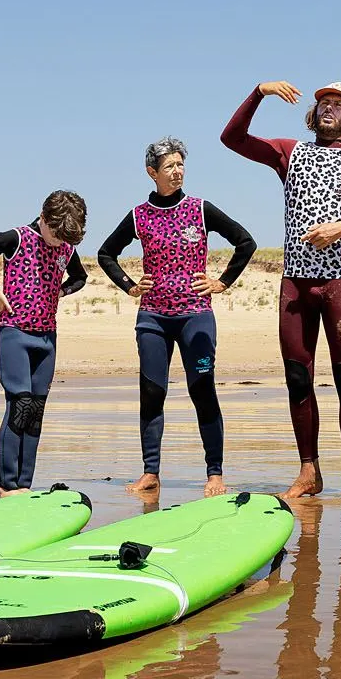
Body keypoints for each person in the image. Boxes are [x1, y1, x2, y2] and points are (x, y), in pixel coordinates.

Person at [221, 80, 341, 501]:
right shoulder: (291, 153)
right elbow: (232, 138)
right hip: (296, 282)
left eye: (338, 104)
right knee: (297, 378)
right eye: (323, 103)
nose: (328, 109)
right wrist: (258, 93)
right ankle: (308, 471)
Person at [97, 137, 257, 498]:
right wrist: (129, 285)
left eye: (180, 164)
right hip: (152, 317)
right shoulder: (139, 215)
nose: (177, 171)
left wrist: (222, 282)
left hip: (195, 316)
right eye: (169, 166)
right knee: (152, 392)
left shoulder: (200, 209)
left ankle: (215, 473)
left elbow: (245, 242)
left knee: (202, 389)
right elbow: (106, 253)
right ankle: (150, 472)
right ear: (152, 172)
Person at [0, 191, 88, 495]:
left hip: (47, 337)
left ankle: (24, 485)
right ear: (43, 217)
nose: (58, 242)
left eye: (64, 238)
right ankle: (7, 485)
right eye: (55, 234)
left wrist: (62, 291)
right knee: (20, 404)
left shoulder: (66, 246)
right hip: (15, 333)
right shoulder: (16, 238)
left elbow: (80, 277)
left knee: (36, 410)